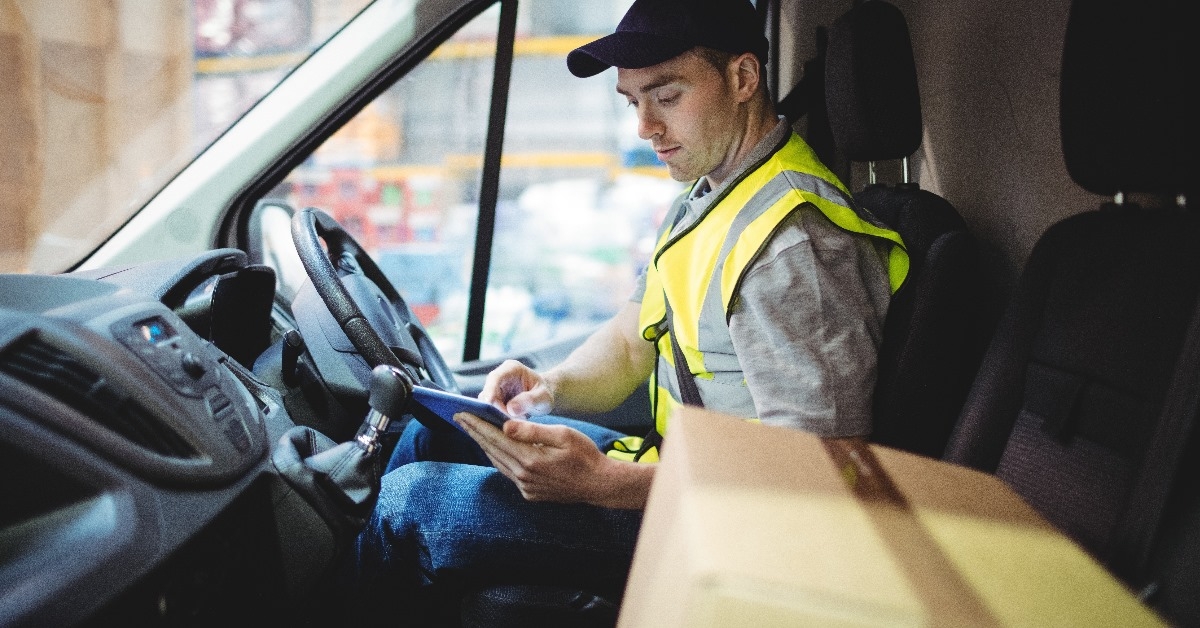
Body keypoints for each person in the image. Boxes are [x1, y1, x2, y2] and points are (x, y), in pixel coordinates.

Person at [351, 0, 907, 621]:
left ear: (743, 78)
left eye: (667, 97)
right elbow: (630, 339)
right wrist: (548, 387)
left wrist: (605, 484)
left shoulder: (793, 246)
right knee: (433, 434)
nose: (645, 127)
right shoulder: (713, 194)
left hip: (741, 537)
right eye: (632, 102)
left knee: (410, 503)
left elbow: (818, 475)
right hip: (682, 474)